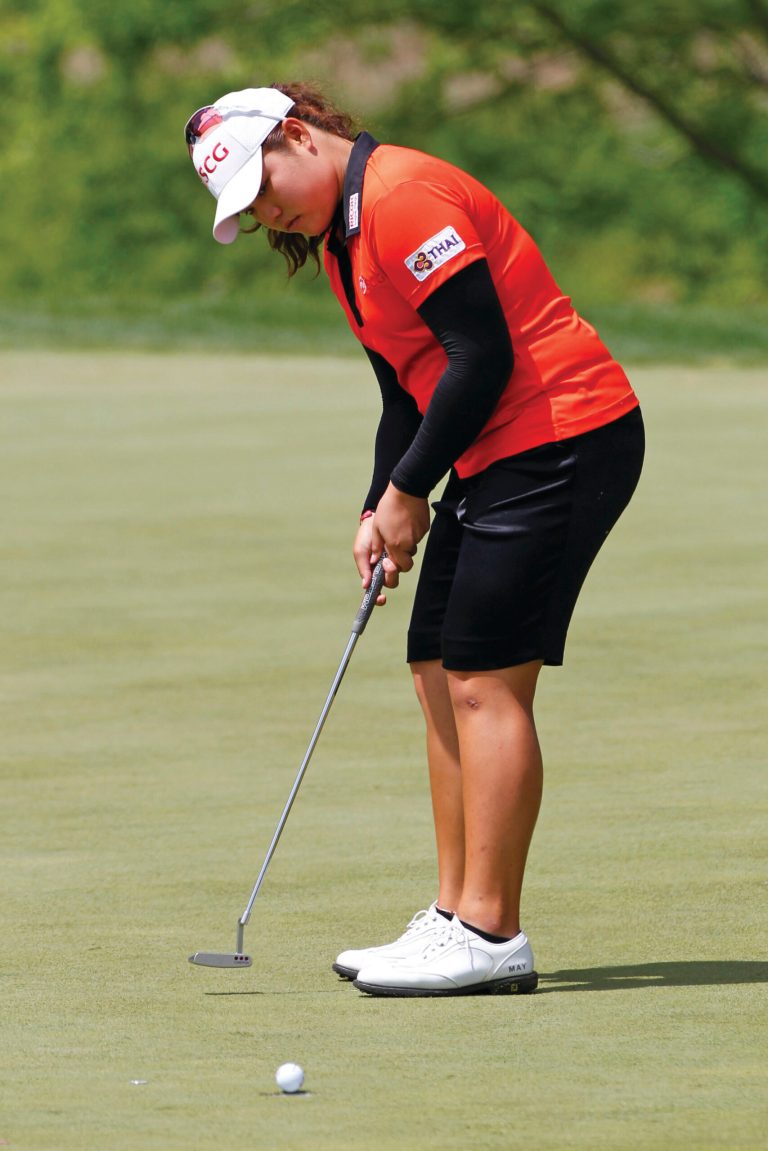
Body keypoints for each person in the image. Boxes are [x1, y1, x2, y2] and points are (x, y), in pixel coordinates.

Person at [184, 83, 645, 998]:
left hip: (564, 434)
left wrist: (409, 491)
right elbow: (406, 387)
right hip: (496, 449)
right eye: (247, 206)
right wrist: (377, 506)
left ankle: (490, 930)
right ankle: (452, 912)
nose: (267, 211)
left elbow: (483, 354)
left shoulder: (400, 195)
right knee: (436, 664)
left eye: (263, 185)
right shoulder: (344, 241)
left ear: (296, 134)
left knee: (483, 678)